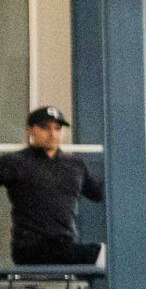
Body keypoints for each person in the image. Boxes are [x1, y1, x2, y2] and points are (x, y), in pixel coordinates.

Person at [1, 107, 104, 267]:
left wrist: (140, 171)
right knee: (102, 255)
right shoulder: (15, 162)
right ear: (30, 130)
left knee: (111, 255)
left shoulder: (75, 164)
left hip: (65, 246)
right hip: (30, 248)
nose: (52, 134)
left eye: (57, 128)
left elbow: (100, 193)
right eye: (45, 128)